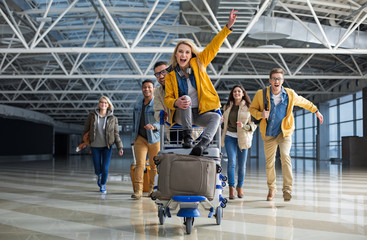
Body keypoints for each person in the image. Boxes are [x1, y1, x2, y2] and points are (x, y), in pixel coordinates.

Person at [164, 9, 238, 156]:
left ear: (191, 54)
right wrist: (175, 102)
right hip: (181, 113)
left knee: (216, 117)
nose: (183, 54)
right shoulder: (170, 75)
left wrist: (227, 28)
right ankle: (187, 137)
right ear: (176, 54)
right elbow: (168, 98)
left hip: (199, 113)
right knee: (185, 99)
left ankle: (203, 143)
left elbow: (214, 46)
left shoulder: (199, 63)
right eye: (180, 51)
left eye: (187, 52)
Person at [249, 68, 324, 202]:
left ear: (282, 81)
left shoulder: (290, 94)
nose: (276, 81)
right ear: (270, 80)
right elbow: (252, 109)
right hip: (268, 134)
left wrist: (316, 111)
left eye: (279, 79)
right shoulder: (261, 94)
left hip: (285, 132)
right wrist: (260, 114)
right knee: (269, 163)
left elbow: (303, 102)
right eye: (274, 78)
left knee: (285, 156)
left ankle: (287, 189)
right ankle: (272, 188)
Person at [221, 85, 257, 200]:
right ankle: (231, 188)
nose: (236, 93)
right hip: (229, 137)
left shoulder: (249, 107)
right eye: (234, 91)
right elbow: (224, 122)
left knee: (242, 165)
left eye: (239, 91)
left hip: (243, 138)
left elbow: (253, 125)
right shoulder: (227, 106)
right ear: (232, 94)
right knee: (231, 162)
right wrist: (221, 123)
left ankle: (239, 187)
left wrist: (244, 126)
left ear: (243, 94)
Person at [82, 96, 123, 194]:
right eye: (101, 102)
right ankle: (99, 176)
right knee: (97, 169)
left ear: (108, 105)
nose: (103, 104)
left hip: (107, 147)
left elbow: (116, 134)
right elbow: (85, 129)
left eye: (105, 103)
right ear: (99, 104)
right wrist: (83, 142)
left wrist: (120, 147)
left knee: (105, 168)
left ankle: (103, 184)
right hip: (95, 146)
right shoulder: (92, 115)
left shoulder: (113, 118)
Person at [131, 79, 160, 200]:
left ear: (153, 89)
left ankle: (153, 189)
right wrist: (134, 136)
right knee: (140, 164)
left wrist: (154, 126)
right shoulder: (138, 104)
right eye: (144, 87)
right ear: (142, 89)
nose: (146, 89)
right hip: (140, 138)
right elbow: (134, 121)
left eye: (149, 87)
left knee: (154, 166)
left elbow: (162, 120)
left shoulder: (157, 104)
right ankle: (138, 190)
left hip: (154, 138)